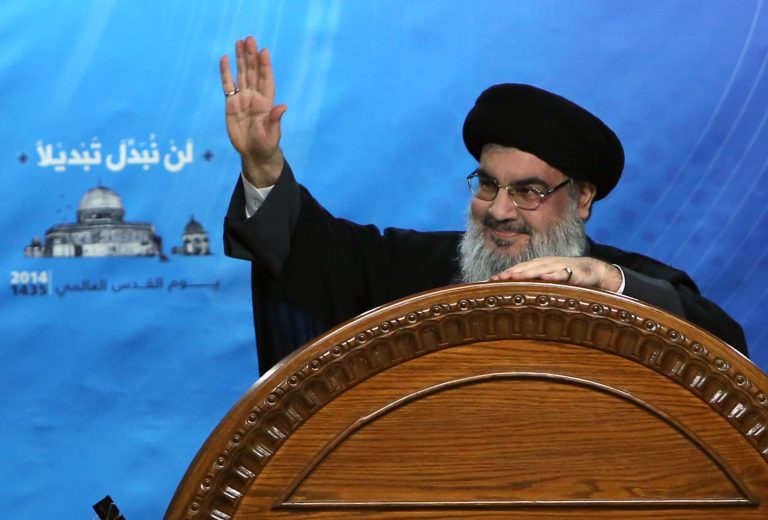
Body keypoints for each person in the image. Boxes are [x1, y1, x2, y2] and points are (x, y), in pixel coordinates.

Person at [220, 36, 748, 374]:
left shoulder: (624, 283)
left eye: (529, 191)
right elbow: (311, 252)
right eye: (488, 185)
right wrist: (265, 167)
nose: (499, 210)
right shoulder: (409, 271)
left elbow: (723, 346)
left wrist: (608, 285)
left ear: (582, 198)